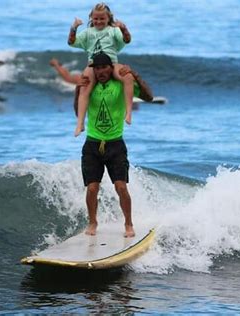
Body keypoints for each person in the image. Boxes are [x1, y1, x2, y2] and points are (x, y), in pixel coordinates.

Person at [78, 52, 136, 238]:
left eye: (104, 67)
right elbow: (78, 107)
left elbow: (132, 86)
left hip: (115, 144)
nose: (101, 71)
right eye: (97, 68)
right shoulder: (90, 86)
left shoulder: (119, 84)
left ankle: (128, 223)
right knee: (92, 188)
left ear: (110, 68)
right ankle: (93, 221)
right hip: (92, 144)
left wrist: (130, 73)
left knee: (121, 187)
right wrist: (77, 90)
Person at [68, 2, 133, 137]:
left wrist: (124, 29)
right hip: (93, 65)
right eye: (96, 18)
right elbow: (71, 42)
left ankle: (129, 113)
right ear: (91, 18)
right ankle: (80, 123)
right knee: (84, 86)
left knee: (128, 77)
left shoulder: (113, 30)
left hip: (112, 64)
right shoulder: (87, 33)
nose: (98, 21)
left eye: (102, 18)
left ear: (108, 18)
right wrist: (73, 28)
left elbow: (127, 40)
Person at [49, 58, 154, 108]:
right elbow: (68, 78)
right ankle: (56, 64)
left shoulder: (113, 75)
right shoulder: (89, 78)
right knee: (70, 78)